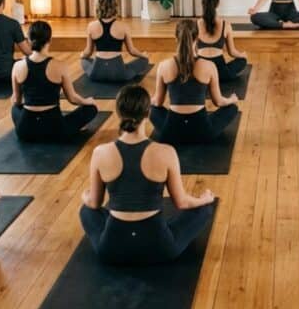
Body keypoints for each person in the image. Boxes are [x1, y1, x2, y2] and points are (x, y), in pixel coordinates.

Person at [81, 85, 217, 265]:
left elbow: (94, 203)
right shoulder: (166, 152)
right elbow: (182, 202)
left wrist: (85, 197)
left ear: (118, 113)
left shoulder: (100, 152)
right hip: (160, 248)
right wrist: (205, 200)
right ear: (148, 112)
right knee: (205, 209)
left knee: (86, 211)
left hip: (112, 249)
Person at [151, 20, 239, 144]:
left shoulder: (164, 66)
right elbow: (219, 102)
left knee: (151, 109)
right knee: (232, 108)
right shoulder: (209, 66)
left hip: (171, 133)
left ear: (176, 38)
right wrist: (232, 99)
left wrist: (146, 101)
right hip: (203, 132)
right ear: (197, 38)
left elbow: (157, 102)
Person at [11, 21, 98, 142]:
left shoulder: (17, 66)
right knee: (91, 108)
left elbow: (16, 100)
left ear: (29, 40)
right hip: (55, 130)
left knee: (14, 109)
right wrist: (87, 101)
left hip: (26, 131)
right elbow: (72, 99)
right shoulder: (60, 66)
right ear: (49, 40)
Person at [81, 0, 151, 83]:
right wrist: (143, 55)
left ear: (98, 6)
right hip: (119, 74)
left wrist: (82, 55)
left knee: (83, 60)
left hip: (96, 73)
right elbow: (132, 51)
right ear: (115, 7)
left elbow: (88, 52)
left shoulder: (91, 26)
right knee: (144, 61)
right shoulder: (123, 26)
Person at [197, 0, 248, 82]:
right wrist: (242, 55)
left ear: (202, 3)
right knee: (242, 61)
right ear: (218, 4)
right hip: (220, 73)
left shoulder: (195, 25)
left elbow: (192, 52)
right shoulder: (226, 25)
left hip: (201, 72)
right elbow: (232, 52)